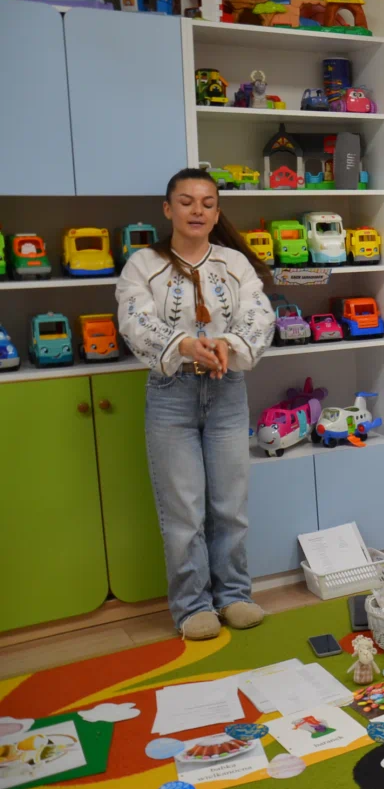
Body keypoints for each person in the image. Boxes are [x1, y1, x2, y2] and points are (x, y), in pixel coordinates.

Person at [116, 168, 275, 641]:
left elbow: (258, 313)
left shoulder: (234, 263)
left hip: (227, 391)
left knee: (230, 505)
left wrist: (229, 344)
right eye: (186, 202)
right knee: (183, 511)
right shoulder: (143, 264)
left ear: (217, 213)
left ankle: (234, 595)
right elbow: (134, 319)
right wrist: (185, 345)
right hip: (172, 393)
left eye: (207, 203)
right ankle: (192, 606)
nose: (197, 210)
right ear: (168, 209)